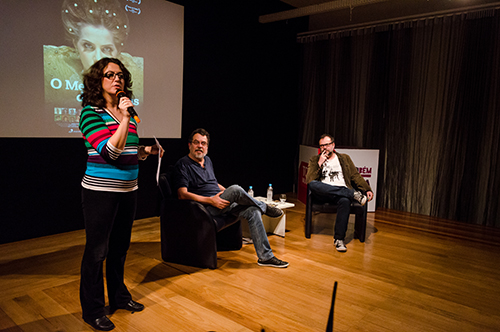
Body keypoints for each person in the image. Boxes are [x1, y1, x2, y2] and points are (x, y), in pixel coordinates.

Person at [78, 57, 163, 331]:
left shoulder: (130, 114)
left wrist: (147, 152)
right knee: (97, 251)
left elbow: (129, 149)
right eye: (110, 75)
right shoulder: (90, 114)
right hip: (100, 192)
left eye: (121, 75)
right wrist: (125, 117)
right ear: (97, 81)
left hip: (129, 190)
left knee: (120, 248)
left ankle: (118, 297)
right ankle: (93, 310)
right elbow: (110, 151)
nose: (117, 79)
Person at [173, 128, 289, 268]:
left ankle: (266, 257)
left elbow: (213, 183)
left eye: (203, 143)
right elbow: (182, 194)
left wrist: (229, 193)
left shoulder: (207, 160)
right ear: (189, 145)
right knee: (235, 189)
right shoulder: (183, 164)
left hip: (222, 203)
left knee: (253, 210)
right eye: (196, 143)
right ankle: (265, 207)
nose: (200, 146)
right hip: (205, 208)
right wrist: (211, 200)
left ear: (207, 146)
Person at [44, 0, 143, 118]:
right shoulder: (52, 65)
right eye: (88, 46)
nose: (98, 58)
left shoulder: (136, 74)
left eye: (106, 49)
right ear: (76, 44)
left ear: (118, 51)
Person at [305, 134, 373, 252]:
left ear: (333, 145)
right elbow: (310, 180)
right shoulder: (314, 159)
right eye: (321, 146)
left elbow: (355, 176)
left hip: (341, 195)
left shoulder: (344, 158)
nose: (324, 148)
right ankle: (352, 194)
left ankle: (339, 239)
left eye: (326, 145)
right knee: (313, 184)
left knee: (345, 201)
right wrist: (319, 164)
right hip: (324, 193)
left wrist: (367, 189)